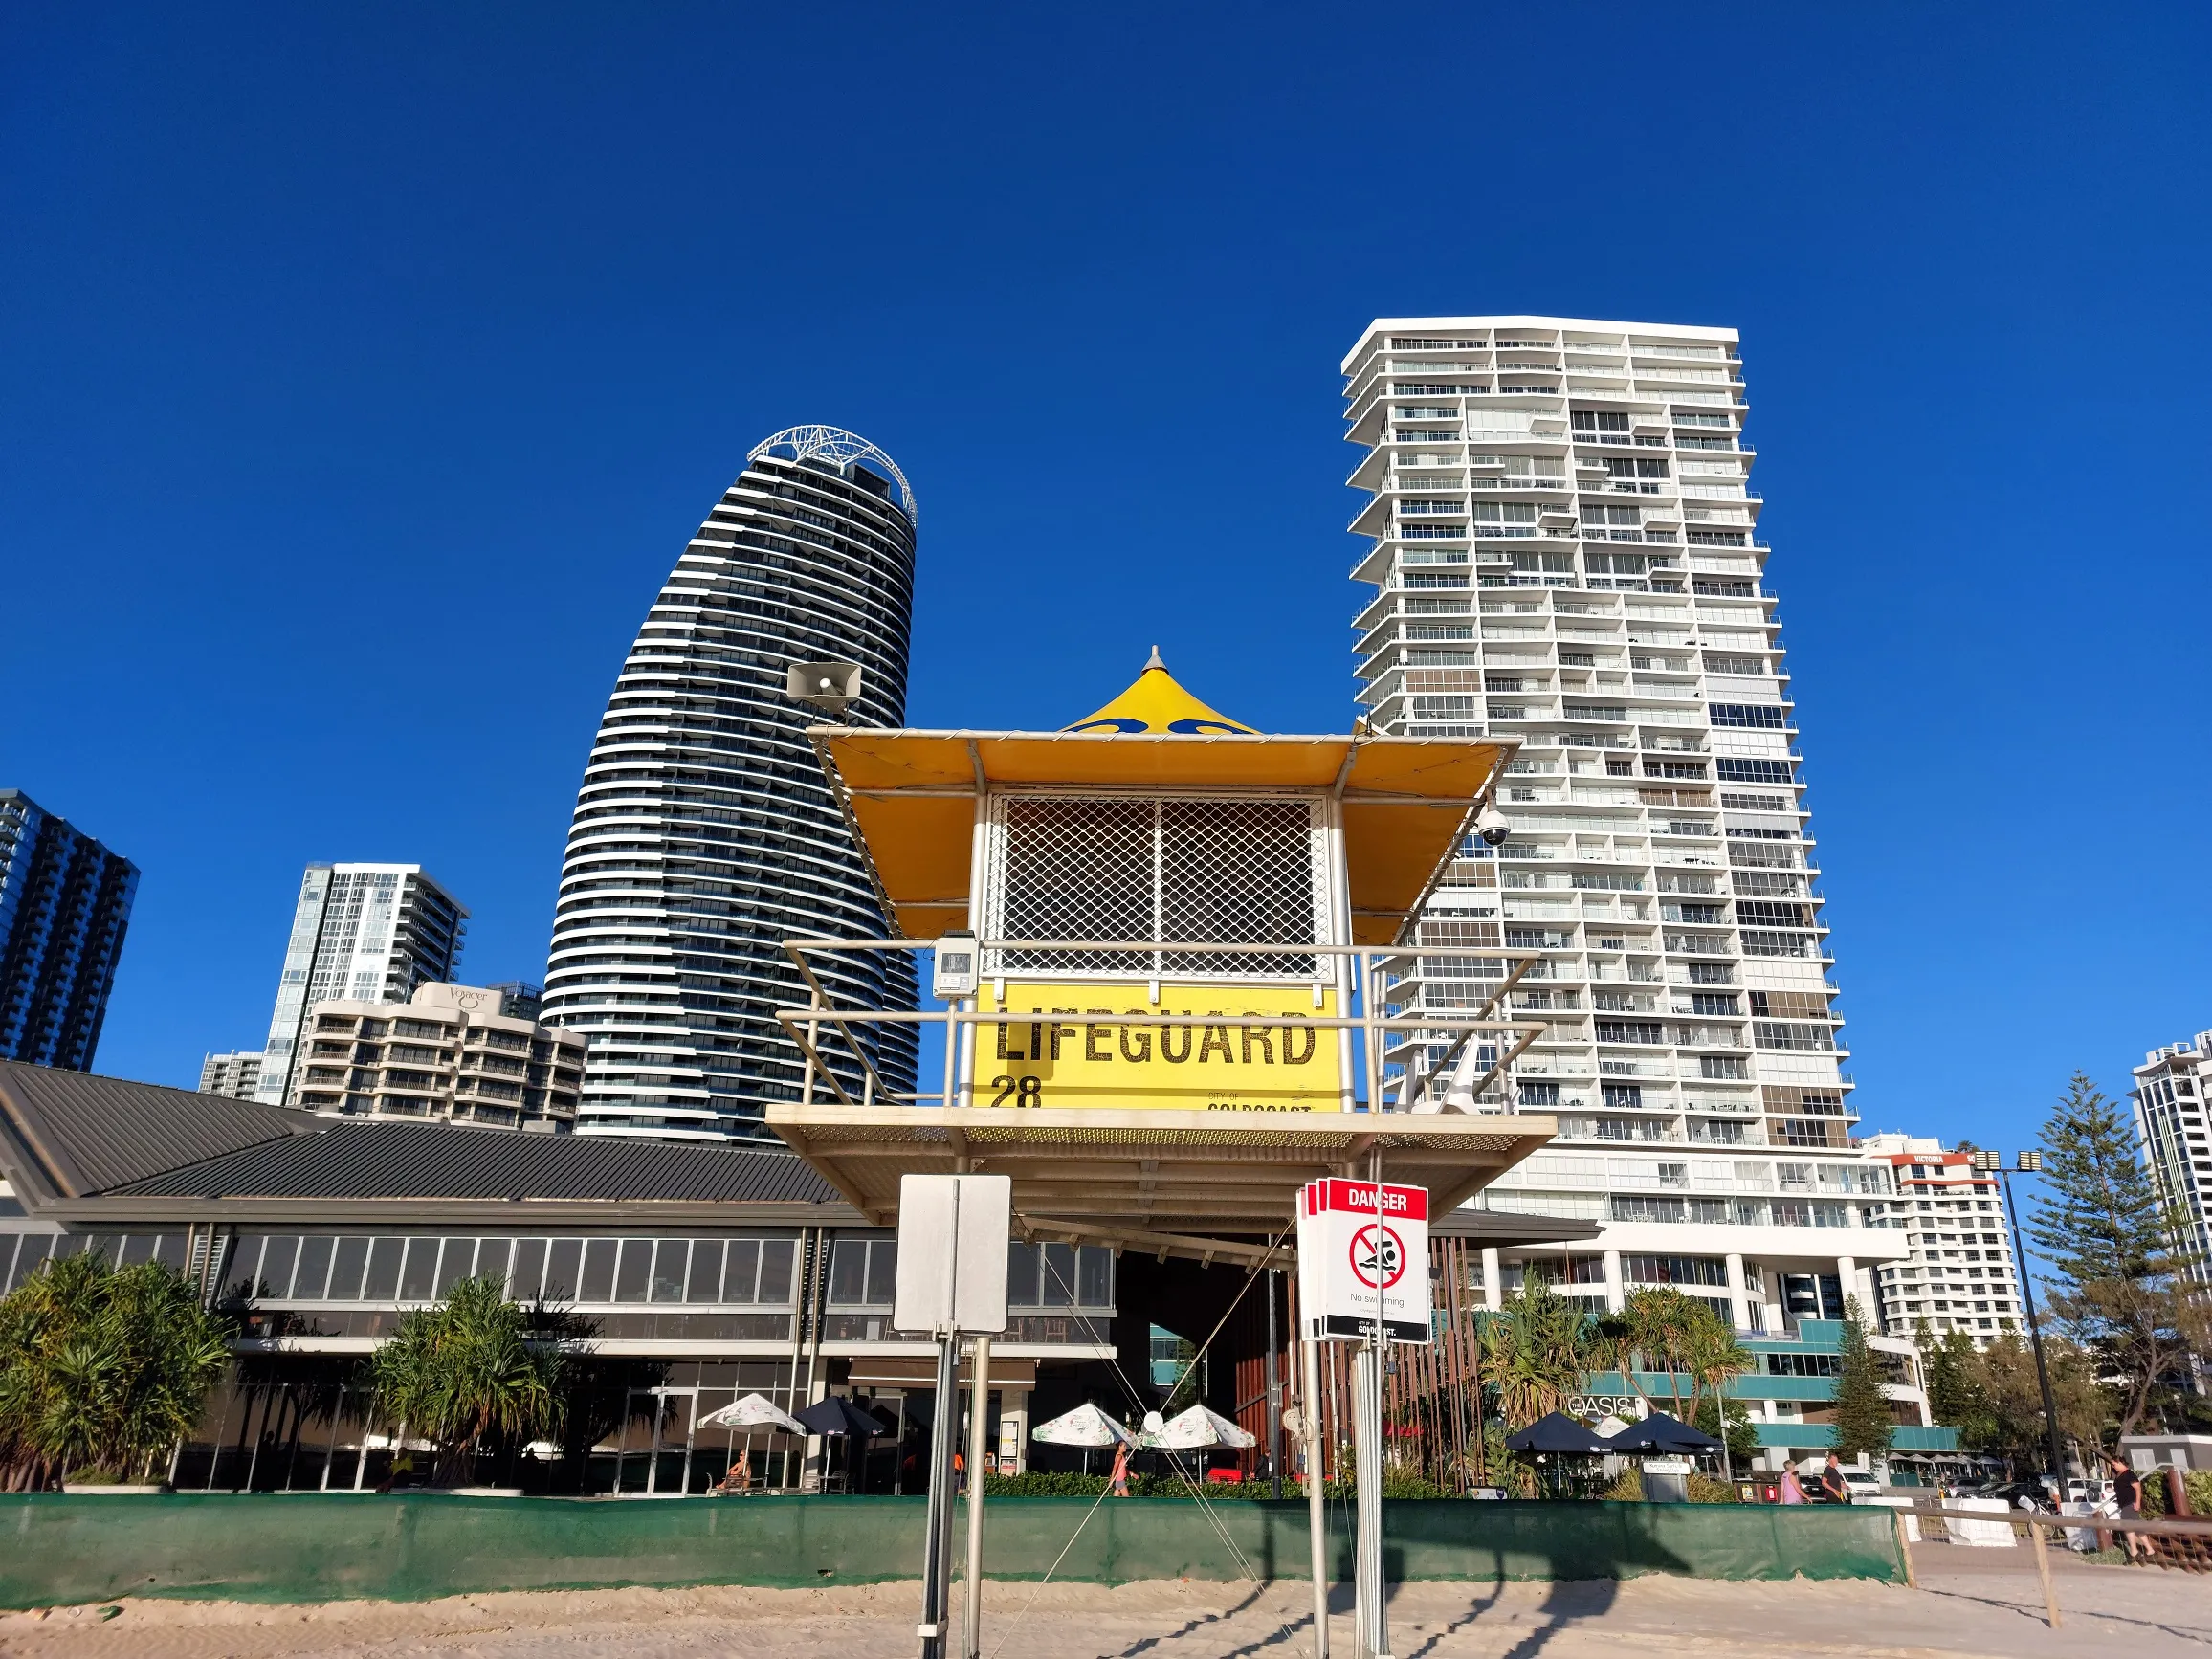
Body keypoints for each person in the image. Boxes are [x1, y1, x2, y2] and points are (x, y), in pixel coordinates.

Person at [2109, 1453, 2148, 1562]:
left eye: (2114, 1464)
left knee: (2128, 1527)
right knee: (2136, 1527)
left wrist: (2138, 1502)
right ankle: (2148, 1550)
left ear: (2120, 1462)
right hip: (2125, 1504)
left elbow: (2138, 1488)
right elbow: (2121, 1488)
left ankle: (2134, 1551)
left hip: (2130, 1504)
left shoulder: (2129, 1474)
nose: (2113, 1466)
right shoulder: (2119, 1475)